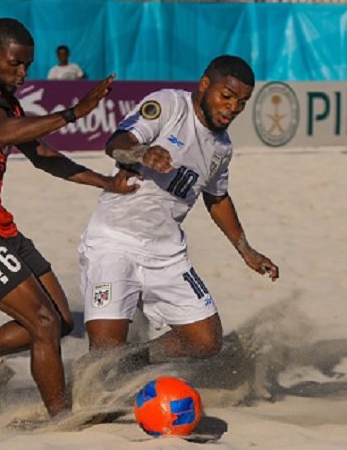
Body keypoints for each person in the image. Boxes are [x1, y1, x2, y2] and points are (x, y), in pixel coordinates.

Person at [0, 18, 136, 418]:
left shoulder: (10, 105)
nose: (22, 73)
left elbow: (45, 157)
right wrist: (74, 113)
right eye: (15, 63)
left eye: (27, 66)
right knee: (43, 322)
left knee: (59, 321)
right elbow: (1, 132)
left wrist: (107, 182)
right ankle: (62, 419)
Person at [78, 55, 279, 364]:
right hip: (113, 242)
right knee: (105, 356)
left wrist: (246, 250)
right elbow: (116, 144)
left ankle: (135, 361)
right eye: (227, 96)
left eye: (242, 102)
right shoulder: (169, 104)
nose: (233, 108)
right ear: (205, 84)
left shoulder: (222, 147)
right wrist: (142, 153)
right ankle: (109, 370)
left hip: (166, 254)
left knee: (206, 342)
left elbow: (217, 198)